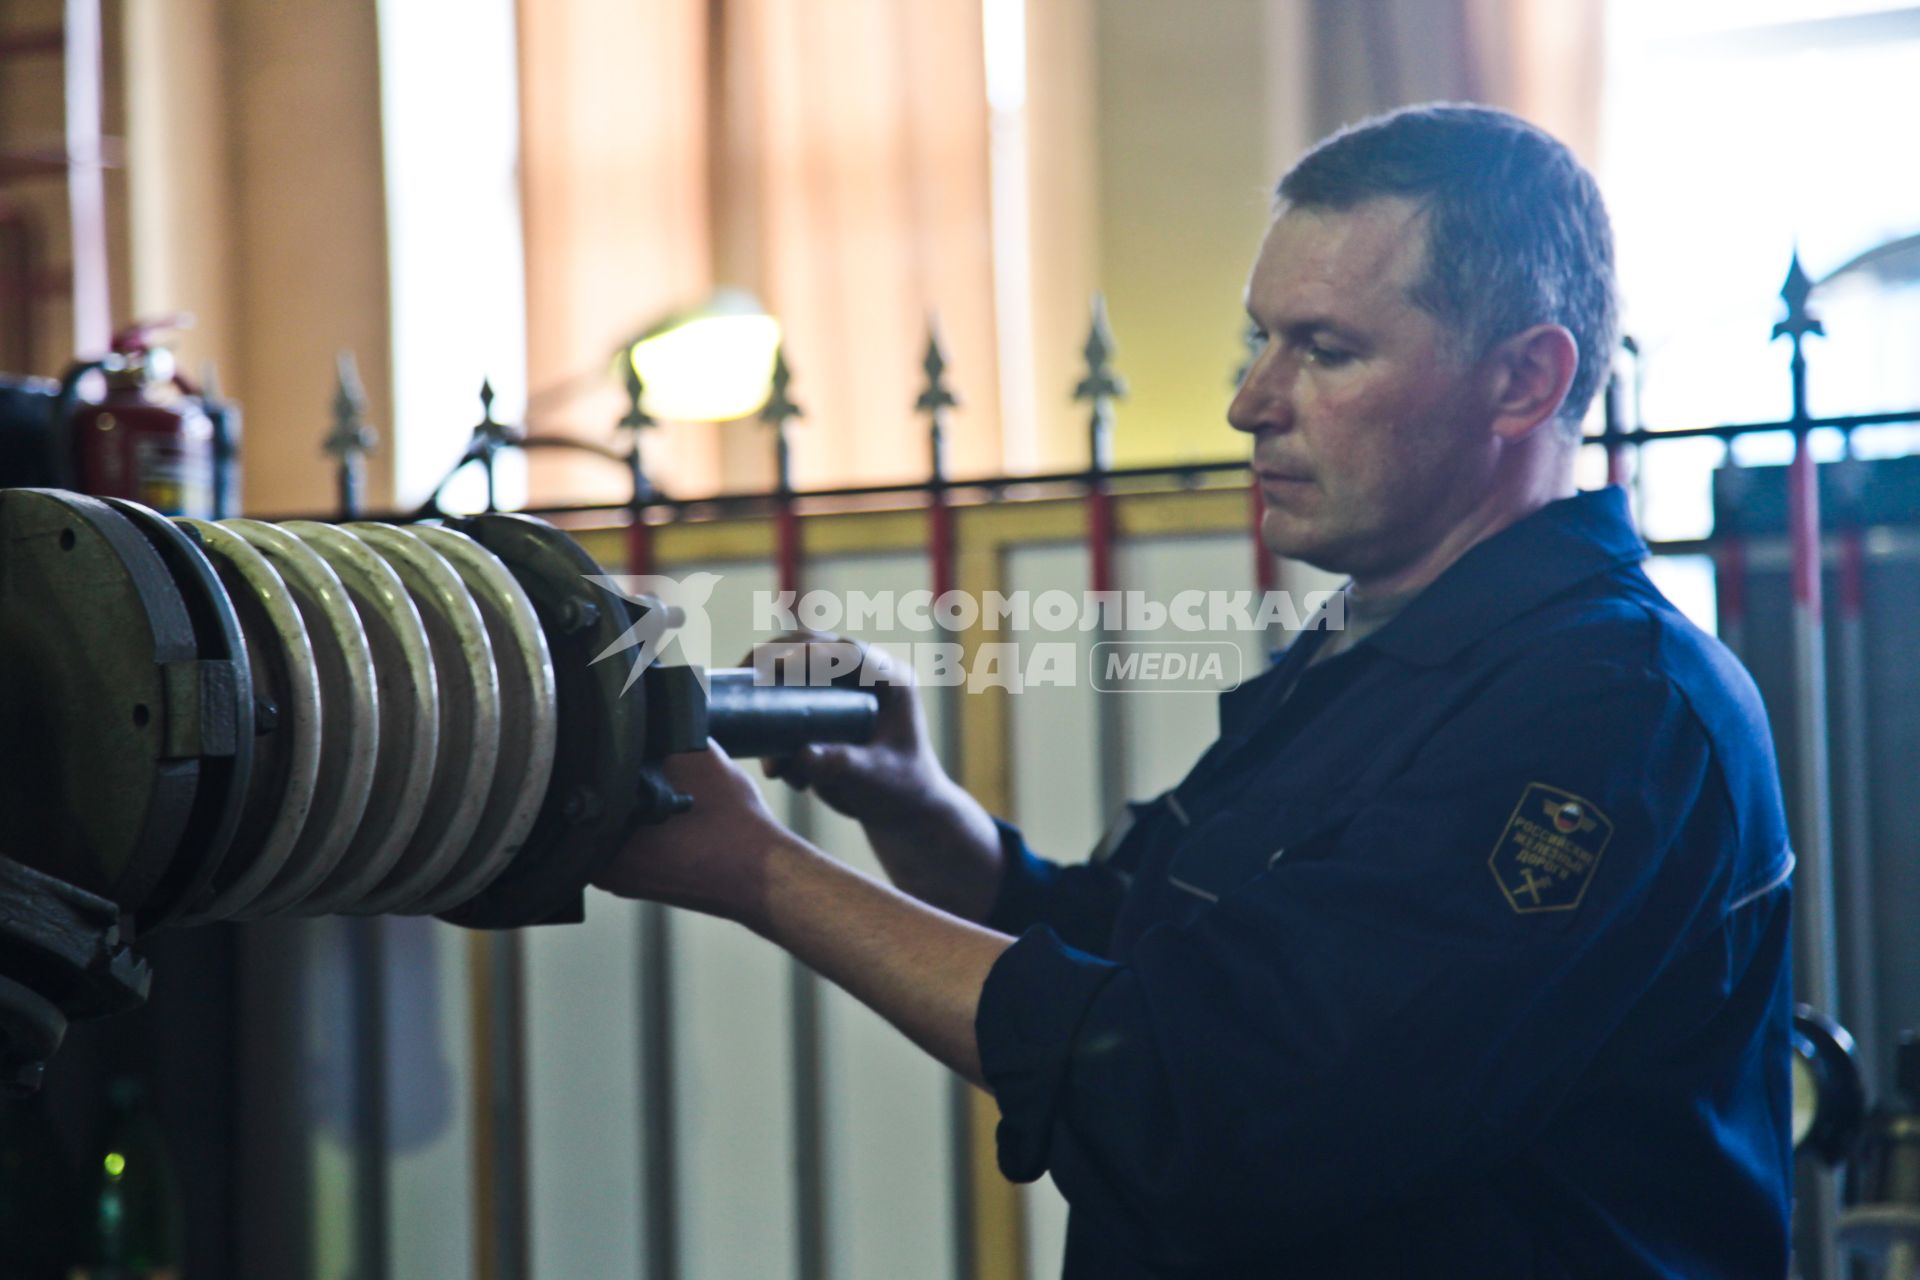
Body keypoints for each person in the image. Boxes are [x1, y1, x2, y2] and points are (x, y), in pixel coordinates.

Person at [592, 104, 1794, 1277]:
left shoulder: (1610, 710)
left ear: (1525, 381)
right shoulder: (1369, 651)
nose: (1250, 401)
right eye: (1259, 340)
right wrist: (917, 807)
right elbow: (1140, 952)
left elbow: (1207, 1096)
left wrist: (757, 869)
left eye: (1324, 350)